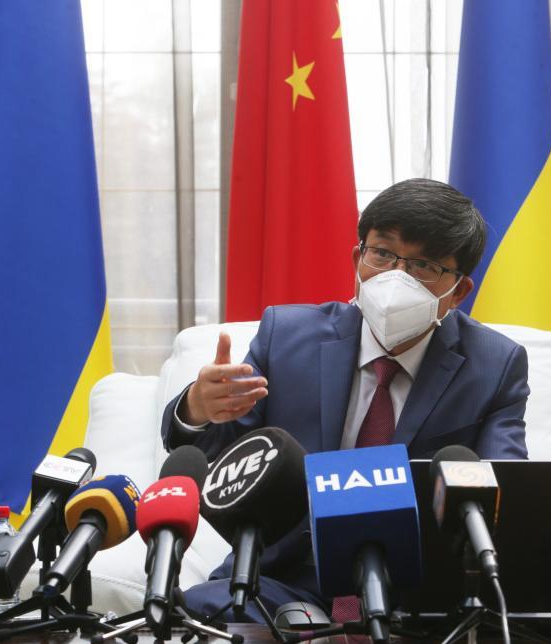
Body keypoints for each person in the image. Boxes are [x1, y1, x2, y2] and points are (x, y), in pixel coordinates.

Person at [160, 177, 530, 621]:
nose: (396, 277)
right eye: (383, 254)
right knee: (198, 613)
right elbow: (222, 458)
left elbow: (503, 496)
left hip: (417, 592)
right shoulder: (286, 337)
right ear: (358, 258)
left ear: (458, 292)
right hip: (283, 577)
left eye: (423, 265)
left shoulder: (494, 365)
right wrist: (199, 409)